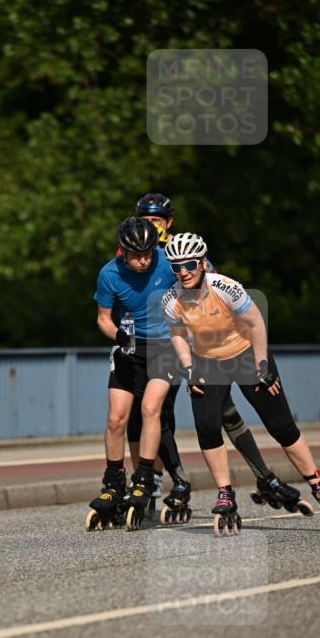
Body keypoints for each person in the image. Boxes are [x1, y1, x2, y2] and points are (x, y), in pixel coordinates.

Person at [161, 232, 320, 531]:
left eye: (189, 264)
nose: (184, 272)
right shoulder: (171, 299)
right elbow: (178, 334)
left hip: (246, 354)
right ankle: (225, 493)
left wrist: (262, 367)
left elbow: (256, 323)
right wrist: (189, 368)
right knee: (207, 426)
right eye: (176, 267)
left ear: (203, 263)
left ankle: (319, 486)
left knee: (281, 426)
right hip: (208, 361)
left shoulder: (226, 287)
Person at [134, 192, 283, 507]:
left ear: (168, 222)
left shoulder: (181, 250)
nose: (150, 226)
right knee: (157, 409)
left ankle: (264, 476)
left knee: (224, 414)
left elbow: (212, 290)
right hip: (159, 343)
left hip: (191, 342)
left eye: (156, 220)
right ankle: (172, 480)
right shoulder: (136, 252)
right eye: (144, 220)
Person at [89, 216, 185, 530]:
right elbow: (103, 319)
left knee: (150, 408)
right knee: (116, 417)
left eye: (147, 253)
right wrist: (118, 335)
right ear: (123, 251)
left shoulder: (166, 263)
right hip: (129, 345)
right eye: (136, 255)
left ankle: (144, 478)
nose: (144, 260)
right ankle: (114, 483)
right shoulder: (109, 274)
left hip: (165, 346)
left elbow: (200, 281)